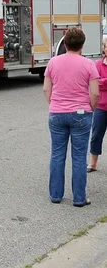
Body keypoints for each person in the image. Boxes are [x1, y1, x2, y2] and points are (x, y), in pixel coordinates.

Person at [43, 26, 99, 206]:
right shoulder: (89, 65)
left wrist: (54, 104)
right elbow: (95, 93)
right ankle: (79, 198)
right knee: (79, 156)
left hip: (57, 112)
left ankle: (56, 195)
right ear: (82, 45)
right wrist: (90, 108)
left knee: (57, 154)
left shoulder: (53, 62)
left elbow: (46, 88)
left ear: (65, 44)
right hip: (81, 113)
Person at [88, 38, 107, 171]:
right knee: (96, 135)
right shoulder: (98, 65)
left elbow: (101, 82)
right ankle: (93, 162)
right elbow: (95, 83)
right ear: (104, 48)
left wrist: (103, 81)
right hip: (101, 106)